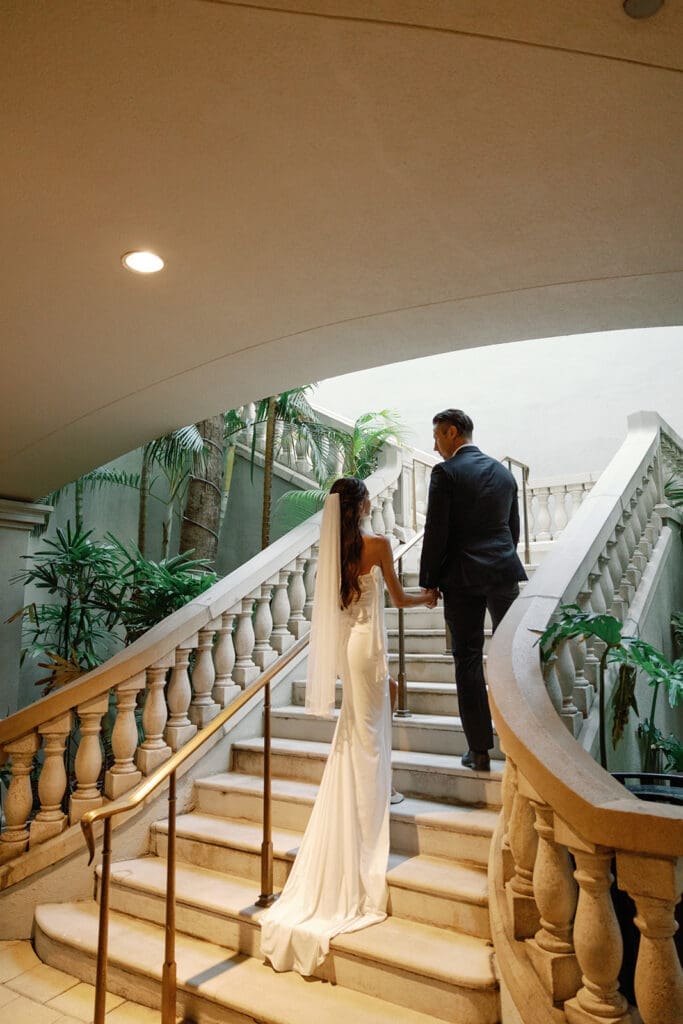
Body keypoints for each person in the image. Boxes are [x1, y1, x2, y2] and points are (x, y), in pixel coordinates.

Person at [260, 477, 436, 976]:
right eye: (368, 499)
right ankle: (369, 810)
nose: (372, 503)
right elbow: (399, 601)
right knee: (369, 735)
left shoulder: (335, 553)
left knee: (359, 729)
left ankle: (367, 799)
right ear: (359, 505)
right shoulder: (378, 545)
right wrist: (429, 597)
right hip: (370, 648)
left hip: (349, 649)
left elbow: (338, 610)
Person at [419, 409, 527, 773]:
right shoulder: (504, 474)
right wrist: (501, 561)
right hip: (502, 573)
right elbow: (513, 530)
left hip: (462, 577)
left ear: (452, 433)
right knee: (513, 658)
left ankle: (479, 751)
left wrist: (429, 581)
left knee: (467, 659)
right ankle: (522, 746)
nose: (434, 446)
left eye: (436, 437)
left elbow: (437, 530)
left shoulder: (446, 473)